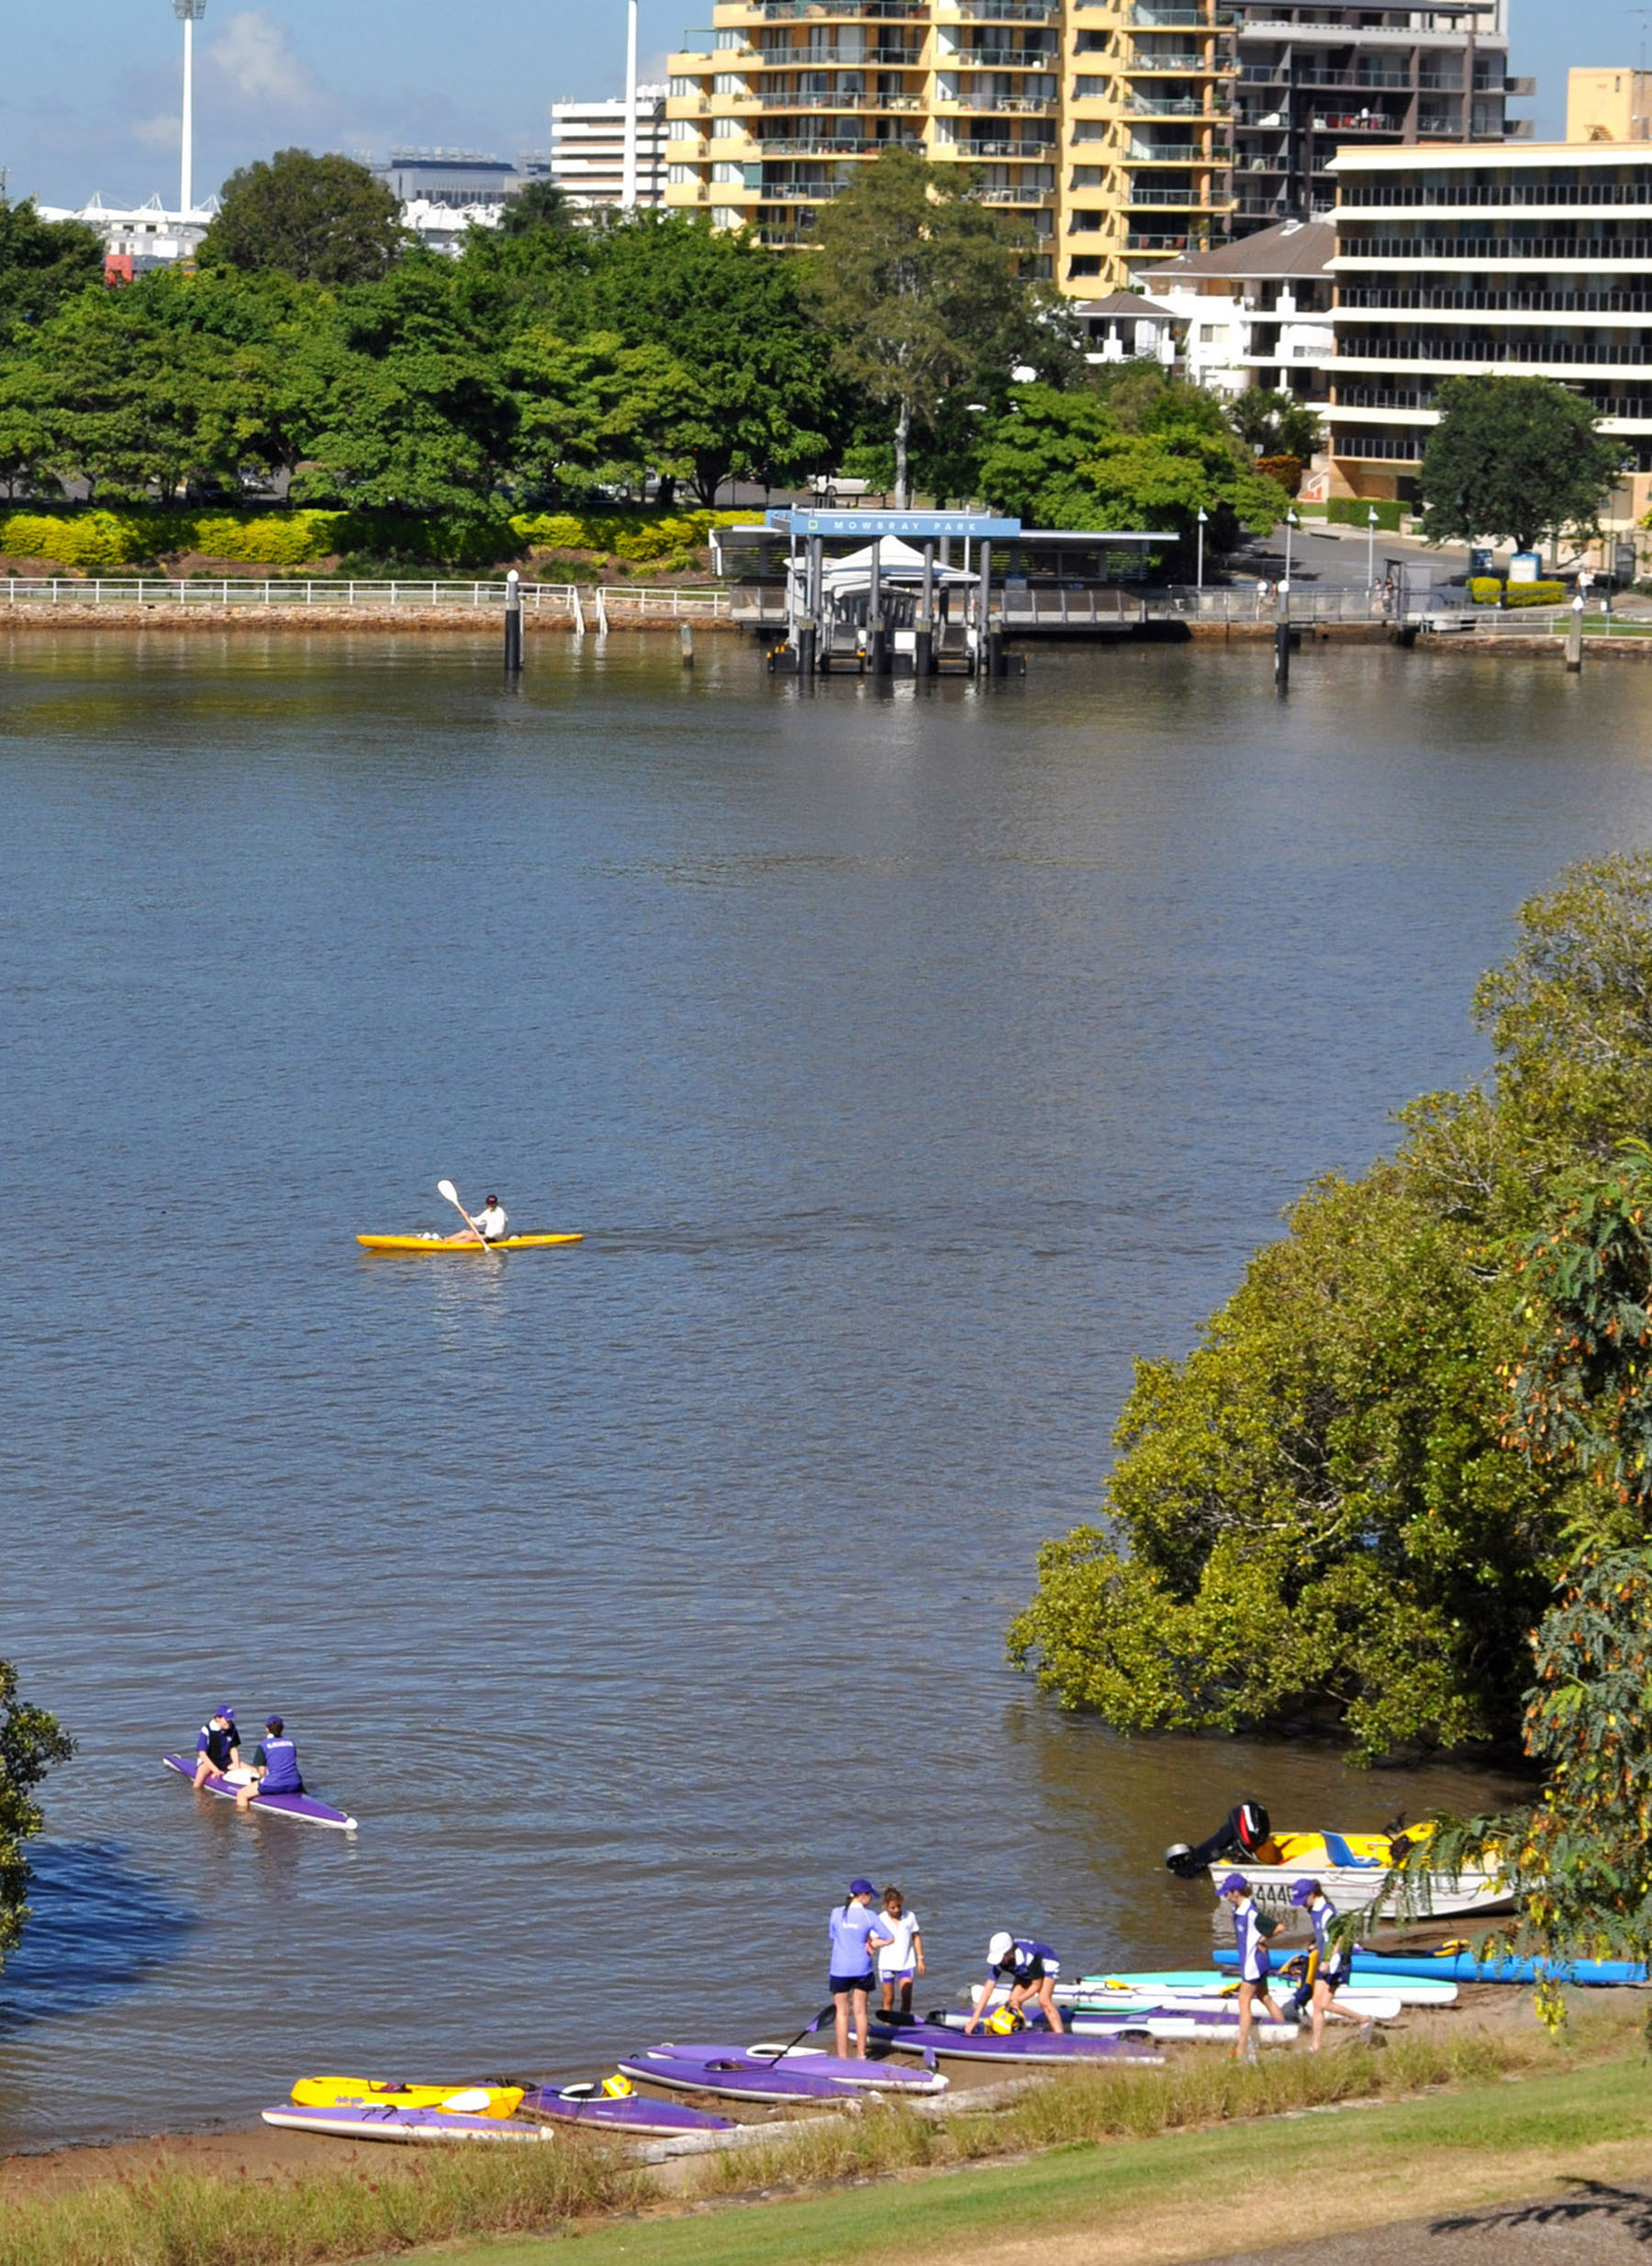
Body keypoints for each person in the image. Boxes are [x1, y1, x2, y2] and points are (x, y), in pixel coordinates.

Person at [1284, 1879, 1366, 2052]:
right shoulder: (1314, 1910)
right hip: (1323, 1961)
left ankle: (1364, 2019)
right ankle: (1315, 2047)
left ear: (1312, 1895)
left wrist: (1329, 1960)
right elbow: (1325, 1935)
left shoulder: (1328, 1912)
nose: (1302, 1905)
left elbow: (1342, 1938)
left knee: (1325, 2004)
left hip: (1335, 1963)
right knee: (1316, 2003)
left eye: (1303, 1900)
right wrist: (1316, 1944)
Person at [1219, 1871, 1286, 2063]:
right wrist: (1260, 1940)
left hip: (1253, 1963)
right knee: (1264, 1997)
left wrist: (1261, 1940)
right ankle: (1285, 2033)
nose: (1225, 1897)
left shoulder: (1251, 1913)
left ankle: (1241, 2048)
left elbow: (1279, 1927)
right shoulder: (1241, 1909)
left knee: (1243, 2002)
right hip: (1256, 1961)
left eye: (1227, 1893)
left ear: (1236, 1892)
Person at [828, 1879, 891, 2060]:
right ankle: (861, 2054)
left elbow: (833, 1937)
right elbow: (889, 1937)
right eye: (870, 1895)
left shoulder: (836, 1913)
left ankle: (842, 2056)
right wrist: (873, 1943)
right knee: (860, 2011)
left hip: (840, 1968)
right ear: (863, 1896)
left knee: (841, 2012)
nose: (871, 1899)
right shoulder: (869, 1916)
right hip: (862, 1968)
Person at [964, 1933, 1065, 2036]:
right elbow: (988, 1989)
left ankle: (1059, 2035)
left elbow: (1036, 1985)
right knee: (1013, 2001)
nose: (999, 1962)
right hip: (1026, 1971)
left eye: (1001, 1958)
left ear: (1010, 1954)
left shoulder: (1028, 1957)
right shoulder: (1000, 1962)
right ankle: (1018, 2031)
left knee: (1043, 2000)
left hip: (1048, 1964)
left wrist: (1020, 1999)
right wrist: (975, 2018)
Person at [236, 1715, 304, 1811]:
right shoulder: (291, 1743)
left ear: (267, 1729)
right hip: (295, 1784)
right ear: (282, 1728)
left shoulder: (263, 1745)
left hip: (275, 1784)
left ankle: (247, 1823)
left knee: (241, 1794)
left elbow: (262, 1773)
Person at [876, 1886, 925, 2016]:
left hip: (906, 1963)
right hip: (887, 1964)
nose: (896, 1910)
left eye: (898, 1906)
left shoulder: (909, 1916)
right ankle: (887, 2025)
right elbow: (873, 1940)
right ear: (885, 1906)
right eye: (892, 1908)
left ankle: (904, 2024)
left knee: (907, 1996)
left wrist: (920, 1959)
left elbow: (916, 1937)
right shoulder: (880, 1919)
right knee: (888, 1998)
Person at [191, 1706, 240, 1790]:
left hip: (225, 1760)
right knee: (198, 1781)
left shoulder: (232, 1728)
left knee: (253, 1771)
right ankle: (199, 1799)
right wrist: (215, 1770)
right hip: (208, 1762)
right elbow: (202, 1754)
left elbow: (233, 1748)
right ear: (218, 1718)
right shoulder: (206, 1730)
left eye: (231, 1720)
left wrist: (237, 1766)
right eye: (227, 1720)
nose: (230, 1722)